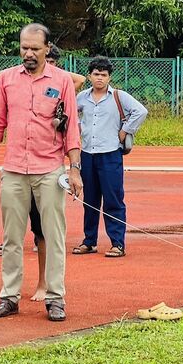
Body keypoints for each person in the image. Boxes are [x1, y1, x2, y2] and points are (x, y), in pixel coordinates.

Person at [0, 23, 82, 322]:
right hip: (14, 169)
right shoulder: (7, 80)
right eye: (24, 47)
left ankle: (55, 298)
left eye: (35, 48)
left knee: (54, 235)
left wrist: (74, 169)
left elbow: (71, 128)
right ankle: (9, 296)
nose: (29, 53)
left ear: (47, 48)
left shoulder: (62, 81)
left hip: (49, 169)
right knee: (11, 237)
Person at [73, 56, 147, 258]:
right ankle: (89, 241)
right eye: (96, 74)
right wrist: (78, 128)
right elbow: (70, 113)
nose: (99, 78)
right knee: (90, 200)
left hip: (110, 154)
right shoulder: (82, 98)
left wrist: (125, 130)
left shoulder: (118, 96)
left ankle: (117, 243)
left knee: (113, 199)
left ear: (109, 77)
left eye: (103, 75)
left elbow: (141, 111)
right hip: (88, 154)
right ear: (89, 76)